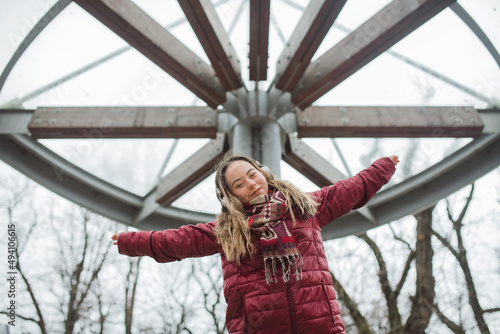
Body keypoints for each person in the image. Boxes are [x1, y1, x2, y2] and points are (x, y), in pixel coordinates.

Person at [112, 152, 399, 334]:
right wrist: (130, 241)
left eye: (252, 174)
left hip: (319, 324)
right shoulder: (227, 231)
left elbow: (350, 191)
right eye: (239, 184)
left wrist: (384, 166)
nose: (250, 183)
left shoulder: (303, 207)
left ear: (263, 173)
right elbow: (178, 241)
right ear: (232, 197)